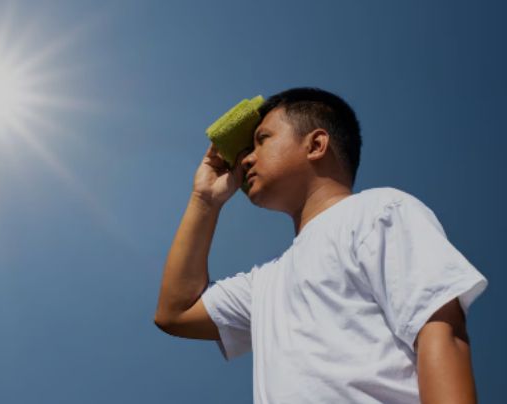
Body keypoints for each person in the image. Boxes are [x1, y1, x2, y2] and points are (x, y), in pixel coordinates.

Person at [154, 87, 488, 403]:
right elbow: (175, 312)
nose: (245, 160)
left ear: (316, 144)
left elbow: (440, 331)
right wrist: (205, 201)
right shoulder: (265, 283)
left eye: (262, 140)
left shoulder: (379, 210)